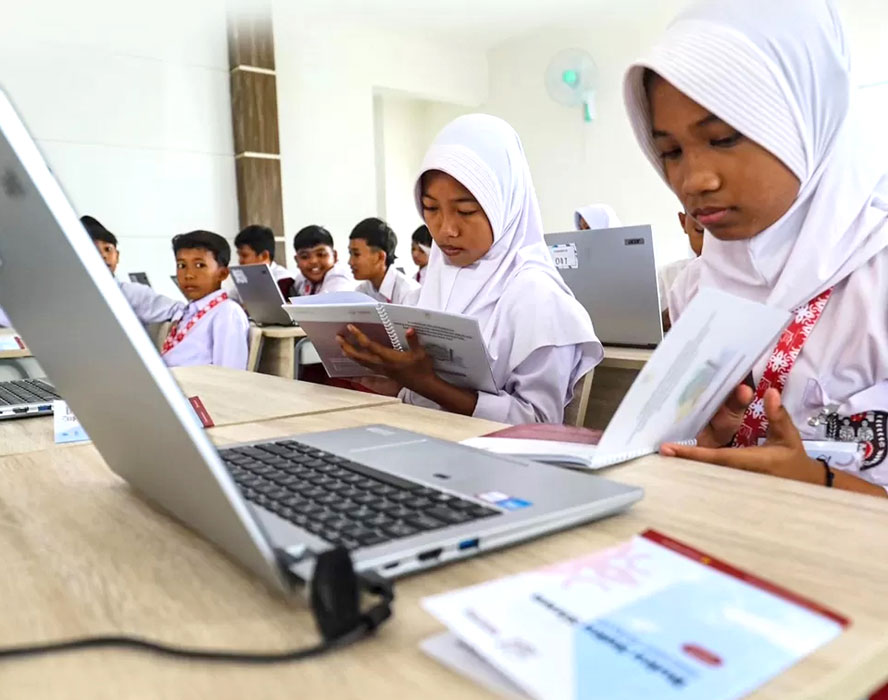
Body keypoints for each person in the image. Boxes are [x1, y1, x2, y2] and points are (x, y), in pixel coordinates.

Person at [623, 0, 888, 495]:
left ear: (807, 121)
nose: (693, 180)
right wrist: (711, 441)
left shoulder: (877, 277)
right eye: (670, 152)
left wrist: (820, 482)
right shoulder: (696, 287)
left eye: (723, 138)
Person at [337, 114, 602, 424]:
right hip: (424, 440)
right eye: (431, 208)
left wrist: (429, 386)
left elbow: (539, 423)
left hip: (492, 453)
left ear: (505, 206)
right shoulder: (435, 283)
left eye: (466, 211)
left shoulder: (539, 297)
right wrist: (398, 383)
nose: (446, 229)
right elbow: (423, 397)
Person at [161, 230, 249, 369]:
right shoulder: (187, 312)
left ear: (223, 273)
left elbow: (230, 373)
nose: (188, 275)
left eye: (199, 265)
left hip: (194, 383)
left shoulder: (227, 312)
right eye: (181, 266)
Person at [81, 215, 184, 324]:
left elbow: (178, 310)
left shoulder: (131, 294)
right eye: (94, 249)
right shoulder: (71, 293)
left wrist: (176, 328)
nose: (103, 255)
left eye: (108, 249)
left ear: (117, 256)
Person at [348, 217, 420, 305]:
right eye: (350, 253)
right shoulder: (361, 291)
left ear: (380, 257)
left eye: (356, 254)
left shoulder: (408, 292)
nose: (350, 262)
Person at [657, 211, 705, 329]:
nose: (710, 243)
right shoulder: (666, 276)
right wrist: (663, 321)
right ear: (683, 222)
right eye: (700, 231)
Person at [231, 224, 295, 300]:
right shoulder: (244, 279)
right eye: (239, 255)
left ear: (264, 256)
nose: (240, 261)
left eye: (244, 255)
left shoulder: (284, 281)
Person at [290, 225, 356, 296]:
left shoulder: (339, 277)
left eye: (321, 254)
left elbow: (325, 302)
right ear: (297, 260)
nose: (313, 261)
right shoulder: (302, 279)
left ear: (334, 256)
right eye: (305, 257)